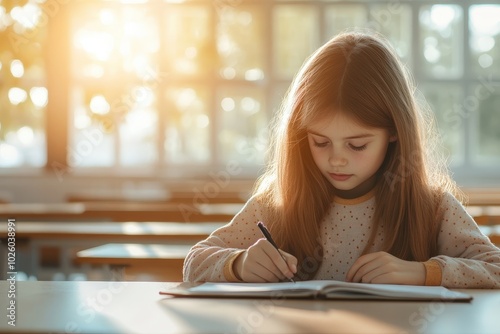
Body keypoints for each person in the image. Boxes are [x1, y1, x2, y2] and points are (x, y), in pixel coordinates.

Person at [183, 31, 500, 288]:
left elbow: (495, 269)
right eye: (320, 142)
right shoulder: (277, 200)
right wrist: (238, 265)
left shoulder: (432, 207)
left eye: (357, 145)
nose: (336, 160)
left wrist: (422, 273)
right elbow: (194, 262)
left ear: (394, 133)